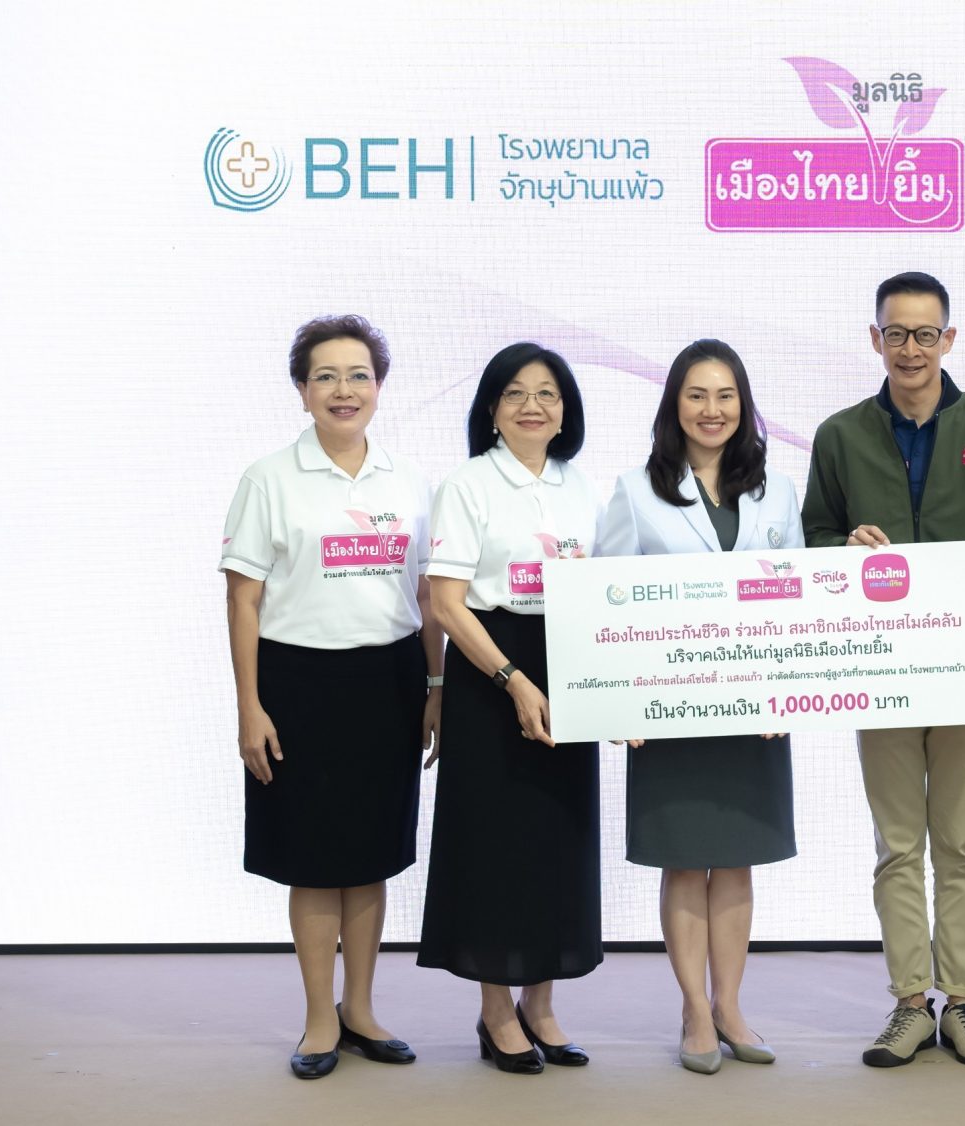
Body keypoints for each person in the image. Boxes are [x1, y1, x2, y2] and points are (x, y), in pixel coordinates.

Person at [801, 271, 965, 1068]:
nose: (910, 349)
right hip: (882, 671)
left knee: (959, 844)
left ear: (948, 339)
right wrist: (843, 548)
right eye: (896, 334)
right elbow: (813, 540)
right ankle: (909, 1003)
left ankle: (963, 1003)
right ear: (875, 339)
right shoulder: (840, 436)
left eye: (925, 334)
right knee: (899, 845)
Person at [220, 314, 439, 1079]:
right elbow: (243, 598)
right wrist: (249, 705)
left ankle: (362, 1010)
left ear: (379, 387)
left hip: (389, 682)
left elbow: (427, 594)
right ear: (302, 389)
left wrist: (435, 685)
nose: (344, 390)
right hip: (298, 684)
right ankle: (319, 1020)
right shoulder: (269, 479)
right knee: (312, 860)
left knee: (370, 856)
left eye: (358, 376)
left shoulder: (409, 481)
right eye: (326, 376)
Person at [595, 339, 801, 1075]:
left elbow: (797, 598)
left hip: (753, 711)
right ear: (673, 405)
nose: (711, 410)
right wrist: (621, 705)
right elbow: (606, 603)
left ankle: (731, 1007)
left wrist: (785, 690)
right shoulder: (634, 491)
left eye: (725, 395)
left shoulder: (778, 491)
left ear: (743, 405)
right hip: (667, 714)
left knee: (737, 861)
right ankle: (693, 1010)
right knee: (684, 863)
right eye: (696, 395)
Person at [416, 343, 603, 1074]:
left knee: (556, 841)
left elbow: (601, 593)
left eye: (548, 393)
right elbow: (445, 602)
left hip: (568, 668)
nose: (533, 405)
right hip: (491, 670)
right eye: (516, 392)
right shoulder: (467, 484)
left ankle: (541, 1005)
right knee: (494, 846)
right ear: (491, 408)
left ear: (565, 410)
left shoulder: (579, 487)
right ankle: (496, 1010)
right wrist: (514, 680)